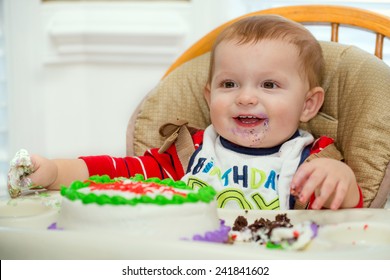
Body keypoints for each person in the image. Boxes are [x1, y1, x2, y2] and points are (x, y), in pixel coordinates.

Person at [11, 15, 362, 210]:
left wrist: (339, 178)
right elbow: (120, 174)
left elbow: (345, 207)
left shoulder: (310, 158)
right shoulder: (188, 153)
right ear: (209, 96)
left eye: (269, 85)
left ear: (308, 105)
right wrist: (56, 171)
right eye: (229, 84)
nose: (245, 98)